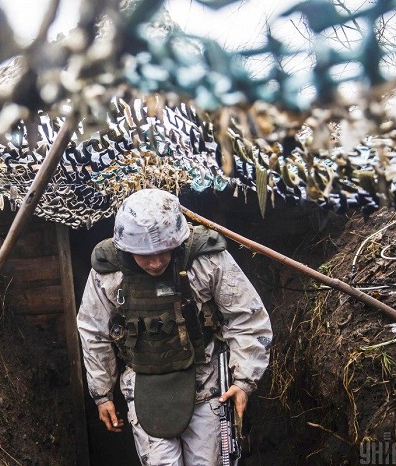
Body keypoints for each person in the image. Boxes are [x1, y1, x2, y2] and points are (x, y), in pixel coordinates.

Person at [77, 188, 272, 465]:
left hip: (204, 380)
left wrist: (244, 380)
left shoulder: (205, 259)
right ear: (127, 248)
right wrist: (101, 394)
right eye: (145, 255)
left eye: (163, 252)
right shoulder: (108, 271)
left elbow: (246, 317)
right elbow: (94, 332)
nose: (156, 263)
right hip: (144, 383)